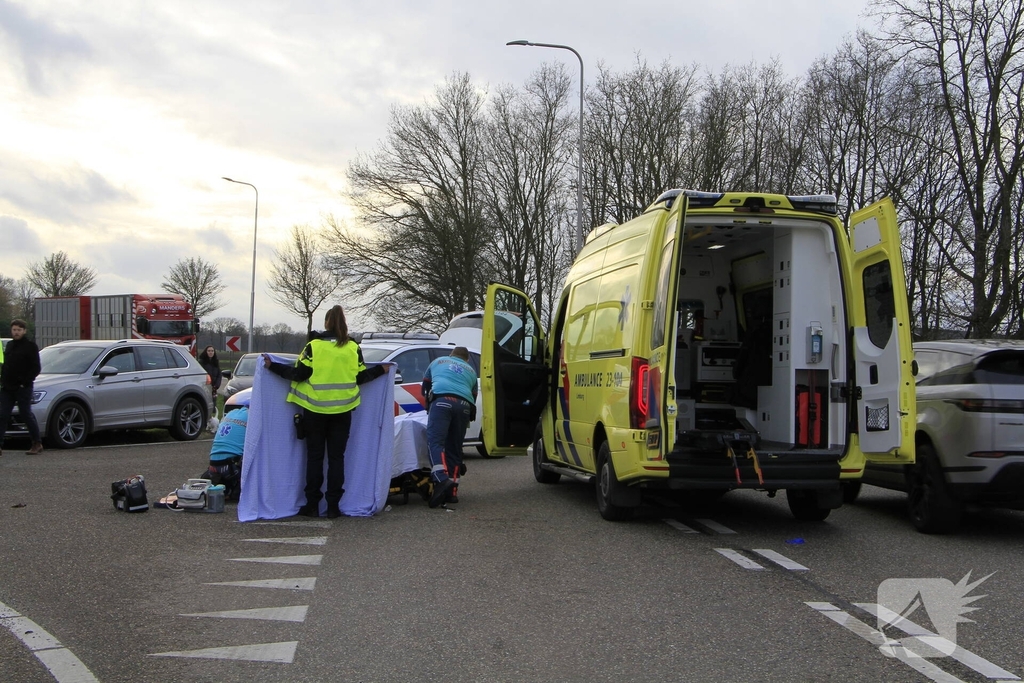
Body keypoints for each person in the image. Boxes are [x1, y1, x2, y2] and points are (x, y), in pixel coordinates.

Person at [263, 305, 385, 518]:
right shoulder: (352, 348)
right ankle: (334, 507)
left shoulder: (313, 346)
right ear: (344, 323)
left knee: (315, 458)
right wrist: (381, 371)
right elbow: (361, 378)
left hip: (315, 411)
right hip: (343, 411)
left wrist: (272, 367)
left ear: (327, 323)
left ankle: (312, 505)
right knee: (337, 459)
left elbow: (298, 374)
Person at [420, 346, 477, 508]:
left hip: (442, 400)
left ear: (451, 355)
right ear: (466, 360)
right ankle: (452, 493)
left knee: (436, 442)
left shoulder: (437, 361)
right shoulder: (471, 371)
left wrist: (429, 406)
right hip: (464, 405)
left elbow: (425, 387)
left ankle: (440, 478)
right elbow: (474, 396)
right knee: (455, 447)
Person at [0, 320, 43, 456]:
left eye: (19, 330)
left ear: (24, 331)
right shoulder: (10, 345)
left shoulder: (30, 346)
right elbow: (6, 365)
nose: (16, 332)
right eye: (14, 330)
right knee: (2, 415)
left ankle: (37, 443)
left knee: (25, 414)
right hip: (7, 387)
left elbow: (36, 367)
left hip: (23, 387)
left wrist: (25, 382)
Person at [206, 405, 248, 502]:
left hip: (213, 466)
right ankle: (237, 492)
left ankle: (226, 489)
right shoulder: (252, 416)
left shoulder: (231, 413)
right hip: (231, 467)